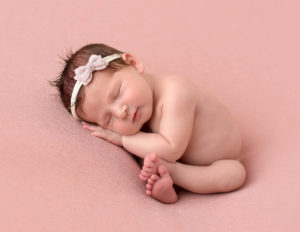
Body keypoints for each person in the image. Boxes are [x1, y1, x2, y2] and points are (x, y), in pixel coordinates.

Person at [50, 43, 247, 204]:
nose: (121, 111)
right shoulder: (139, 110)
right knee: (145, 154)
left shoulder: (176, 93)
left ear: (134, 64)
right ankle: (164, 184)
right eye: (108, 120)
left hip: (220, 158)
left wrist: (122, 139)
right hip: (169, 151)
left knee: (235, 174)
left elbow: (171, 149)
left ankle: (175, 173)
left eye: (118, 93)